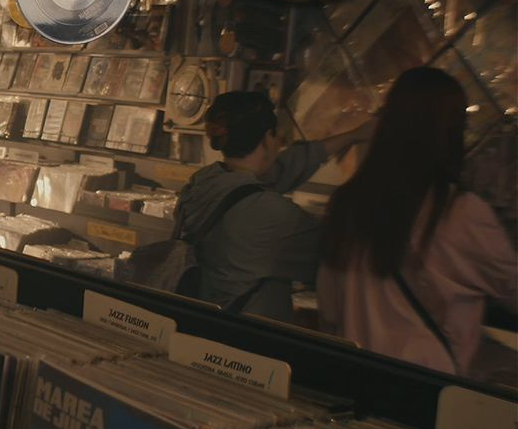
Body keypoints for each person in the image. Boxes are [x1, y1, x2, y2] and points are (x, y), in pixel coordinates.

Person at [318, 67, 517, 378]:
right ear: (451, 132)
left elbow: (329, 310)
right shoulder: (460, 212)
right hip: (424, 383)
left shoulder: (347, 203)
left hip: (352, 375)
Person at [176, 90, 375, 322]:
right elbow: (341, 257)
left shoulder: (202, 182)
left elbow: (280, 171)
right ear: (267, 140)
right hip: (248, 333)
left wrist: (352, 136)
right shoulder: (275, 215)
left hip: (200, 319)